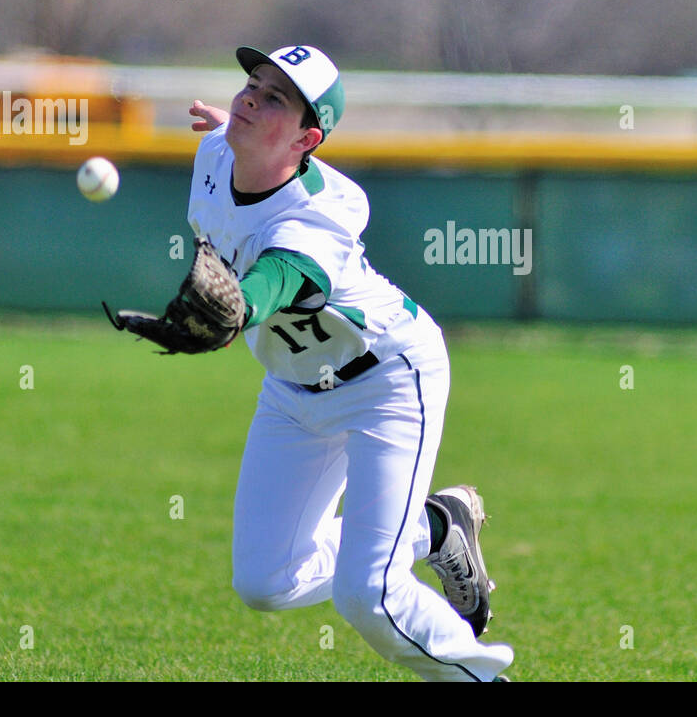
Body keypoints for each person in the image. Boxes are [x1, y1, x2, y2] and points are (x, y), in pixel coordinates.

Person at [183, 44, 513, 682]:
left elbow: (283, 274)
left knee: (370, 595)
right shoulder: (214, 154)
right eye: (253, 82)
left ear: (308, 138)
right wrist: (235, 130)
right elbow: (241, 193)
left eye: (276, 97)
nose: (251, 96)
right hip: (292, 389)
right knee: (264, 580)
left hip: (386, 380)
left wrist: (237, 310)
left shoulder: (329, 212)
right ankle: (433, 528)